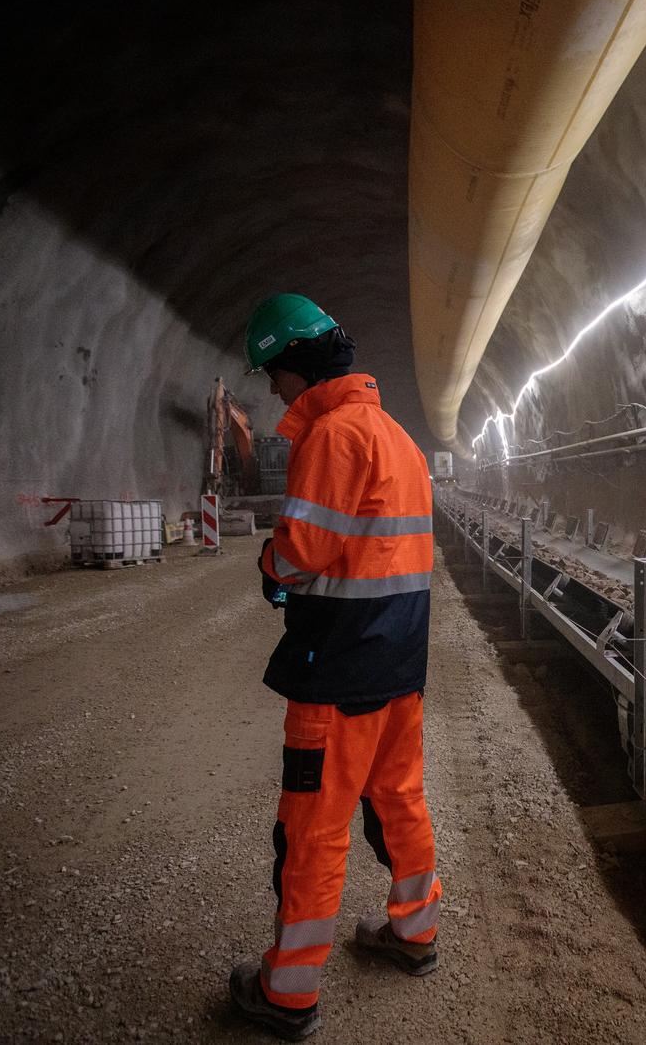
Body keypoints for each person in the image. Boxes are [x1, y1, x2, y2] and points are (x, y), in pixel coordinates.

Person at [228, 293, 441, 1041]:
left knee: (313, 829)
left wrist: (268, 564)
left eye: (274, 374)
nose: (274, 391)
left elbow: (300, 553)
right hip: (399, 663)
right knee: (400, 801)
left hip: (339, 667)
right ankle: (415, 932)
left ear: (297, 363)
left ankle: (287, 993)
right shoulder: (398, 438)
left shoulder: (332, 436)